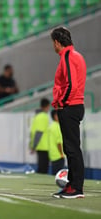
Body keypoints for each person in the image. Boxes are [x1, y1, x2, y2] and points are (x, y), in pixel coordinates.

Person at [50, 27, 86, 199]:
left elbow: (71, 85)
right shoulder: (76, 55)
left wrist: (62, 103)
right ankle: (72, 185)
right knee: (71, 148)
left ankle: (76, 187)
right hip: (74, 105)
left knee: (72, 149)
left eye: (53, 43)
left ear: (57, 42)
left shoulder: (67, 57)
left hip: (70, 106)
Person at [29, 98, 50, 174]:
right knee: (43, 169)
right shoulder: (44, 116)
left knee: (41, 167)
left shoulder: (36, 116)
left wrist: (33, 145)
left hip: (38, 146)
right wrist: (34, 146)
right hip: (43, 146)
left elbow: (33, 132)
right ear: (47, 106)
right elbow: (39, 133)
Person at [48, 109, 65, 175]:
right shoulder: (58, 127)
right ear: (55, 116)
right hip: (58, 155)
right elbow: (59, 143)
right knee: (59, 174)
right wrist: (61, 154)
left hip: (52, 154)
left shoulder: (51, 126)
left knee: (54, 174)